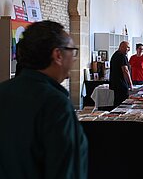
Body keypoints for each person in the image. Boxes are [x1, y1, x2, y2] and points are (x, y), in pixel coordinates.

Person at [0, 20, 88, 179]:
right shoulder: (56, 105)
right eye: (72, 51)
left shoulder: (3, 91)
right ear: (58, 55)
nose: (74, 58)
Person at [109, 41, 133, 107]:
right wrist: (130, 84)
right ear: (121, 47)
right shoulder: (122, 56)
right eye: (127, 47)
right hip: (121, 84)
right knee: (123, 104)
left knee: (117, 102)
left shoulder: (115, 55)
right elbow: (125, 70)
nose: (129, 49)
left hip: (115, 84)